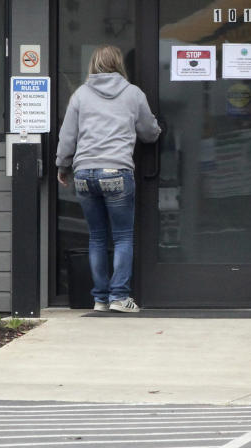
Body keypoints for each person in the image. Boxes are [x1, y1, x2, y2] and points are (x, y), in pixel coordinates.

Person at [55, 45, 160, 313]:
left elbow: (68, 136)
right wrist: (157, 128)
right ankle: (119, 297)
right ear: (119, 64)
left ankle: (100, 299)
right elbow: (149, 133)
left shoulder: (80, 95)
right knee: (123, 237)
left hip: (84, 173)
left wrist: (62, 165)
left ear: (93, 65)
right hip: (116, 171)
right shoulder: (132, 93)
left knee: (97, 238)